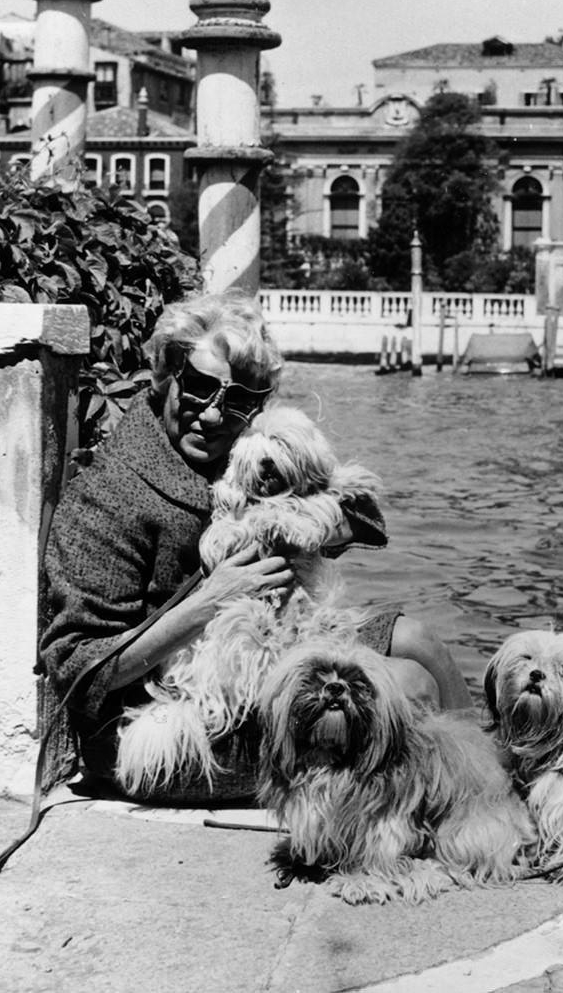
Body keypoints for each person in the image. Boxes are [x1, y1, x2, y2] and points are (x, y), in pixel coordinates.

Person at [38, 290, 472, 803]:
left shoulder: (244, 455)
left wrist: (308, 520)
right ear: (168, 375)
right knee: (409, 687)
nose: (215, 415)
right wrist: (209, 600)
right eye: (199, 387)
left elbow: (366, 518)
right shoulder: (110, 493)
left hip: (277, 639)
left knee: (422, 641)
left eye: (240, 399)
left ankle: (493, 778)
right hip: (177, 719)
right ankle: (459, 803)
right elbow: (77, 667)